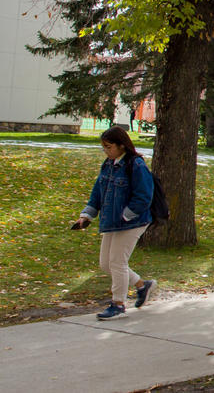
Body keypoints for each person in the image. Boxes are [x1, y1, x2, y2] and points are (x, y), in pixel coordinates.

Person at [72, 126, 156, 321]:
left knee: (118, 262)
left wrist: (125, 216)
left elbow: (144, 196)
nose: (106, 151)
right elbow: (97, 193)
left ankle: (118, 304)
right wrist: (86, 216)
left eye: (109, 147)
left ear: (121, 145)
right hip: (112, 222)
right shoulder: (108, 164)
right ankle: (142, 286)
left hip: (133, 222)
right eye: (104, 147)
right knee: (106, 264)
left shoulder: (136, 165)